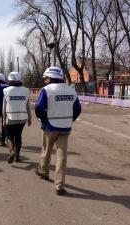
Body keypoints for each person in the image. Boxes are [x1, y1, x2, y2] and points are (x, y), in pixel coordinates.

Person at [34, 66, 81, 195]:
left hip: (49, 126)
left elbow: (38, 107)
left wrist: (41, 118)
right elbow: (77, 109)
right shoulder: (71, 90)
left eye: (45, 78)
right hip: (65, 127)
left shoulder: (47, 90)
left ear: (50, 78)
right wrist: (70, 120)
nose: (45, 81)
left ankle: (44, 172)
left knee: (46, 151)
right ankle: (59, 186)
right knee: (62, 157)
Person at [3, 72, 32, 163]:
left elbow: (4, 106)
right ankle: (18, 157)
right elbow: (28, 105)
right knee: (18, 136)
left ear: (10, 80)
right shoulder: (26, 90)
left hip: (10, 118)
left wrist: (4, 118)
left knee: (9, 136)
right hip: (23, 118)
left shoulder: (6, 90)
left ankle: (12, 152)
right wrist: (30, 118)